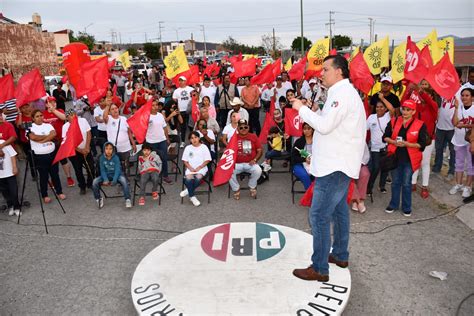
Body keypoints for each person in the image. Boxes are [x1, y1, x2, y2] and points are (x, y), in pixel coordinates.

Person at [291, 55, 366, 282]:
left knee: (319, 216)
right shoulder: (340, 93)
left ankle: (320, 268)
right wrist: (313, 109)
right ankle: (340, 254)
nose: (321, 73)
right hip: (337, 164)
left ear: (339, 72)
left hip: (335, 166)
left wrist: (301, 109)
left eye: (325, 69)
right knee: (338, 211)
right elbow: (330, 122)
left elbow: (323, 127)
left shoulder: (342, 94)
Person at [383, 100, 427, 216]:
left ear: (414, 111)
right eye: (404, 109)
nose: (405, 112)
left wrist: (407, 144)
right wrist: (393, 142)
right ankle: (393, 204)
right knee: (395, 182)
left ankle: (407, 207)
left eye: (408, 110)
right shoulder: (394, 121)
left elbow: (422, 144)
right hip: (395, 157)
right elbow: (385, 137)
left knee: (407, 183)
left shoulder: (420, 124)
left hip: (410, 159)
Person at [408, 80, 438, 199]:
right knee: (415, 161)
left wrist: (421, 92)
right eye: (423, 95)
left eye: (427, 94)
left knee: (425, 163)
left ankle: (425, 186)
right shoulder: (418, 107)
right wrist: (410, 91)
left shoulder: (433, 107)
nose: (425, 97)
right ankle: (413, 183)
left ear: (431, 96)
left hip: (428, 139)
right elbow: (406, 103)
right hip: (416, 138)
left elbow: (430, 102)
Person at [28, 109, 66, 203]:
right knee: (43, 176)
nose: (40, 118)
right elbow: (33, 137)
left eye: (41, 115)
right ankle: (45, 195)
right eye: (37, 116)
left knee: (55, 174)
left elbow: (53, 134)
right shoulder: (30, 127)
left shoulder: (48, 125)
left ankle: (59, 192)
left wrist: (42, 140)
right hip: (40, 157)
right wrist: (47, 137)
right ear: (33, 118)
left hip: (52, 154)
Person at [44, 96, 75, 187]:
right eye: (50, 102)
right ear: (46, 104)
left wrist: (53, 110)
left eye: (54, 102)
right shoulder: (43, 114)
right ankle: (54, 179)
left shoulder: (60, 110)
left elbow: (63, 118)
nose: (53, 104)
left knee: (63, 161)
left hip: (60, 140)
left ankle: (69, 177)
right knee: (52, 162)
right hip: (49, 141)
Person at [62, 110, 95, 195]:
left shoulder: (83, 121)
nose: (74, 116)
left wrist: (87, 147)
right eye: (71, 115)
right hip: (74, 152)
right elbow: (68, 142)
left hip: (86, 148)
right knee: (78, 170)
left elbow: (88, 133)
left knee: (91, 167)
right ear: (67, 118)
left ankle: (90, 183)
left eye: (74, 114)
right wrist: (80, 150)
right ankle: (82, 186)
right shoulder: (65, 127)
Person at [449, 88, 474, 198]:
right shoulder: (458, 107)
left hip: (471, 140)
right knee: (458, 163)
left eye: (467, 95)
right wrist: (456, 108)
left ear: (472, 97)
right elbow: (454, 123)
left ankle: (468, 186)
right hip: (458, 139)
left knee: (470, 164)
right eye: (463, 95)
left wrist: (464, 125)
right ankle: (458, 184)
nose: (464, 97)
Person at [229, 119, 263, 200]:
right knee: (229, 172)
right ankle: (236, 189)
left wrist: (255, 160)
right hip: (237, 164)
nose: (243, 129)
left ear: (248, 127)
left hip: (250, 163)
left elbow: (260, 150)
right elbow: (229, 151)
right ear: (237, 129)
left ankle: (252, 186)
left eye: (245, 127)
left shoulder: (254, 136)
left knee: (258, 170)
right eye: (241, 128)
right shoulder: (234, 138)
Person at [92, 142, 132, 209]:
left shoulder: (116, 157)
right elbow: (102, 170)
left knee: (124, 181)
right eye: (106, 149)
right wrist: (105, 179)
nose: (108, 150)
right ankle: (98, 198)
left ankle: (127, 199)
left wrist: (114, 180)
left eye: (110, 149)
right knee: (94, 182)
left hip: (116, 175)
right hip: (106, 175)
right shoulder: (101, 158)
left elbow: (117, 170)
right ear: (104, 149)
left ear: (113, 150)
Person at [366, 100, 394, 195]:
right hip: (375, 148)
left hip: (386, 147)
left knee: (385, 168)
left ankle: (382, 186)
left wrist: (383, 98)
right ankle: (369, 187)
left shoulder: (387, 116)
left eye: (382, 107)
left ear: (385, 108)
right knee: (376, 168)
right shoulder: (371, 117)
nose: (379, 108)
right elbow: (364, 129)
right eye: (377, 107)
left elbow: (392, 109)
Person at [103, 101, 137, 175]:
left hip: (126, 147)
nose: (115, 110)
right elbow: (104, 117)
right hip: (114, 148)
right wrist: (107, 106)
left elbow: (129, 133)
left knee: (126, 165)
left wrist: (133, 143)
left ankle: (126, 179)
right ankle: (120, 180)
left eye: (116, 108)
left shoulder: (124, 118)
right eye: (112, 109)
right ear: (109, 112)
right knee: (117, 166)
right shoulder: (108, 119)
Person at [180, 131, 212, 206]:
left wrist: (200, 167)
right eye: (192, 138)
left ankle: (188, 191)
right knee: (188, 179)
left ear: (199, 138)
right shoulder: (188, 148)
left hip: (201, 168)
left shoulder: (204, 147)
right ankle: (192, 196)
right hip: (190, 168)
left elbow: (207, 160)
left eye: (195, 137)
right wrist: (190, 168)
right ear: (190, 140)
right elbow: (185, 161)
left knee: (198, 178)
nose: (194, 139)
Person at [145, 100, 173, 184]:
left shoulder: (160, 115)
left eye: (156, 105)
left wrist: (167, 138)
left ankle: (165, 176)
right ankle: (152, 175)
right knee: (151, 159)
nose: (155, 107)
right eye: (153, 105)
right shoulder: (147, 116)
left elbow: (164, 128)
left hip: (162, 140)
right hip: (151, 141)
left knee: (164, 158)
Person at [433, 95, 456, 179]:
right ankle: (437, 166)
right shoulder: (441, 92)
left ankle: (451, 170)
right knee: (438, 148)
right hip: (440, 126)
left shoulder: (459, 92)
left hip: (452, 127)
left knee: (453, 150)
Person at [172, 76, 195, 146]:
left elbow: (195, 96)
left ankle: (193, 141)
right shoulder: (176, 91)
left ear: (185, 81)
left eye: (183, 81)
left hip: (190, 110)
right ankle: (182, 141)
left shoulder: (191, 89)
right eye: (180, 81)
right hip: (181, 111)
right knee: (183, 127)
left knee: (191, 126)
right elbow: (174, 100)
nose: (181, 82)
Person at [291, 122, 314, 190]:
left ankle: (315, 195)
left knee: (319, 175)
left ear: (312, 129)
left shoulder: (317, 141)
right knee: (304, 176)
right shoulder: (299, 141)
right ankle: (310, 196)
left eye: (309, 128)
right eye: (304, 129)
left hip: (315, 163)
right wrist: (304, 160)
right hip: (299, 164)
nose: (306, 131)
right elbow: (293, 157)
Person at [0, 139, 20, 216]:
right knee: (4, 191)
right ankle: (10, 206)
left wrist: (14, 167)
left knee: (14, 190)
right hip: (0, 174)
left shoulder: (3, 142)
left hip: (9, 172)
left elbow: (13, 155)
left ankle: (17, 207)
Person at [351, 145, 371, 213]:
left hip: (360, 164)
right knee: (350, 178)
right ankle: (358, 201)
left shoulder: (361, 140)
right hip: (347, 165)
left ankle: (360, 199)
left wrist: (361, 164)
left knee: (365, 174)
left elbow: (366, 155)